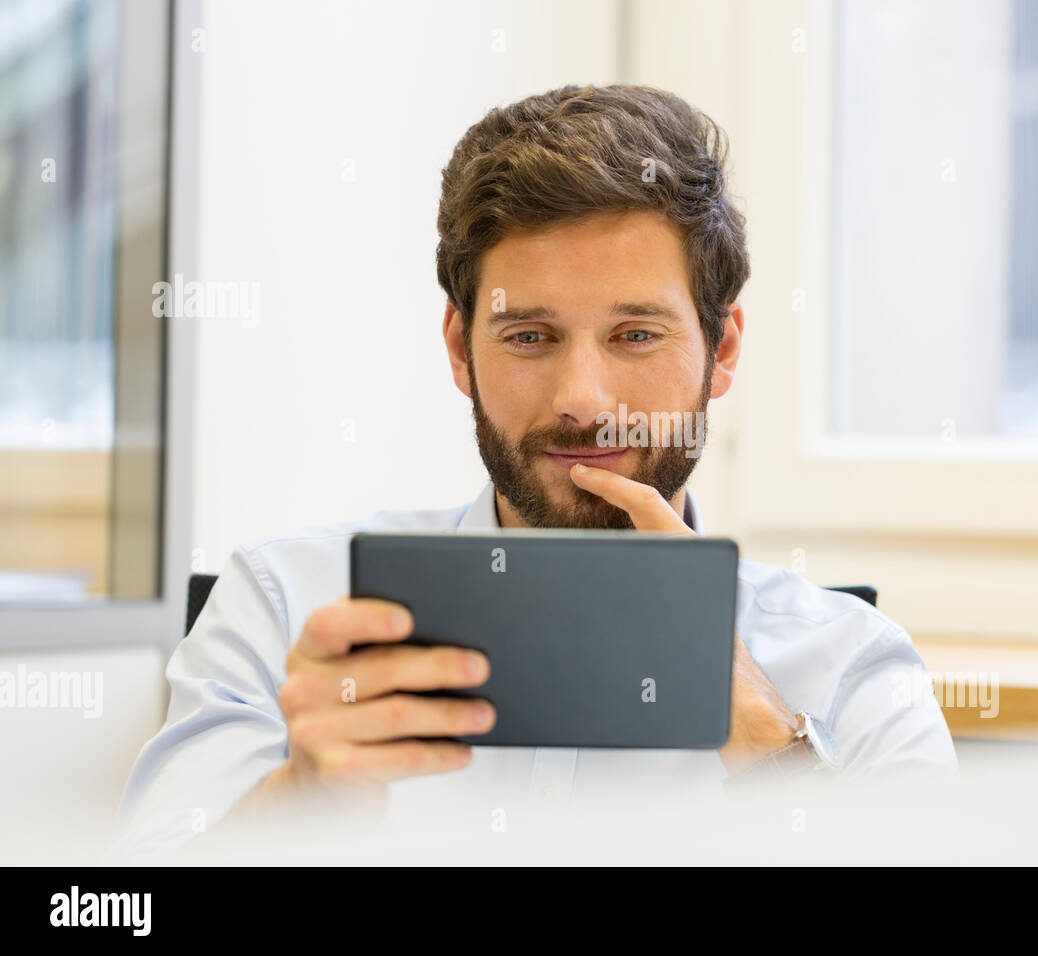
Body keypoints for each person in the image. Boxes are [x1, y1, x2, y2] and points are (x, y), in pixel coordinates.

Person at [113, 84, 957, 858]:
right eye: (529, 336)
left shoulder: (851, 666)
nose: (582, 402)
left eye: (636, 334)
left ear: (721, 349)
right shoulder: (283, 604)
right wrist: (301, 800)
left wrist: (766, 743)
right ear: (459, 349)